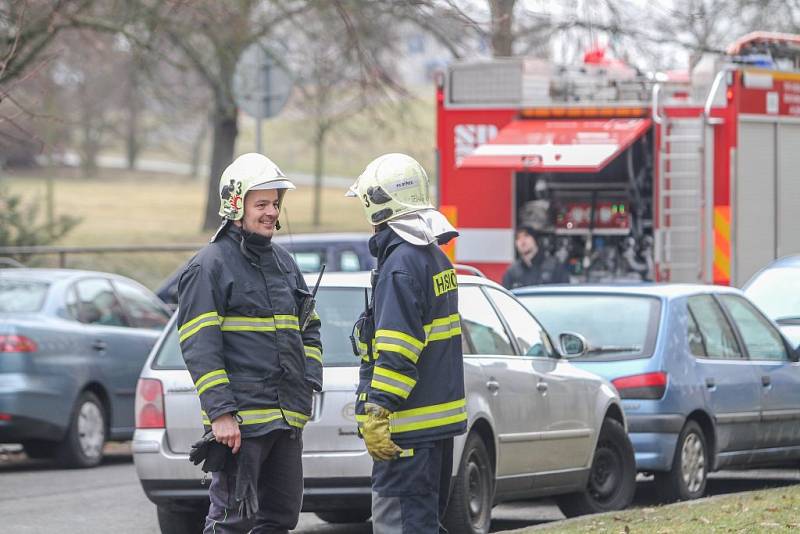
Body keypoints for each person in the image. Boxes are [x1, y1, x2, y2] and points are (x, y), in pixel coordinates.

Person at [177, 153, 323, 533]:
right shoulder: (209, 266)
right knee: (233, 519)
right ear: (235, 205)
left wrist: (308, 383)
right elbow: (199, 347)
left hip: (286, 420)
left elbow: (309, 328)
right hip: (240, 426)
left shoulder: (284, 263)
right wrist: (221, 414)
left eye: (275, 203)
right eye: (262, 204)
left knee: (280, 517)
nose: (272, 212)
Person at [346, 153, 466, 533]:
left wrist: (379, 410)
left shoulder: (399, 267)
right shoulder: (435, 259)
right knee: (425, 524)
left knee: (399, 525)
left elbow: (398, 352)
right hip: (437, 427)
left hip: (407, 429)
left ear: (377, 205)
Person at [502, 226, 570, 289]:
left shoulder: (555, 266)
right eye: (518, 238)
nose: (522, 241)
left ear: (535, 239)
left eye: (526, 236)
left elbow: (565, 295)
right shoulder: (512, 272)